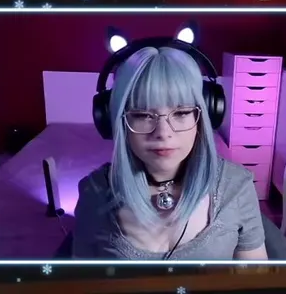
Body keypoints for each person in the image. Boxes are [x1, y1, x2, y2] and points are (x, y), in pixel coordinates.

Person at [72, 47, 268, 261]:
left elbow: (255, 276)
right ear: (119, 121)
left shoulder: (237, 185)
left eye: (181, 113)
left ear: (204, 117)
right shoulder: (94, 192)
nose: (163, 133)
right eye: (143, 115)